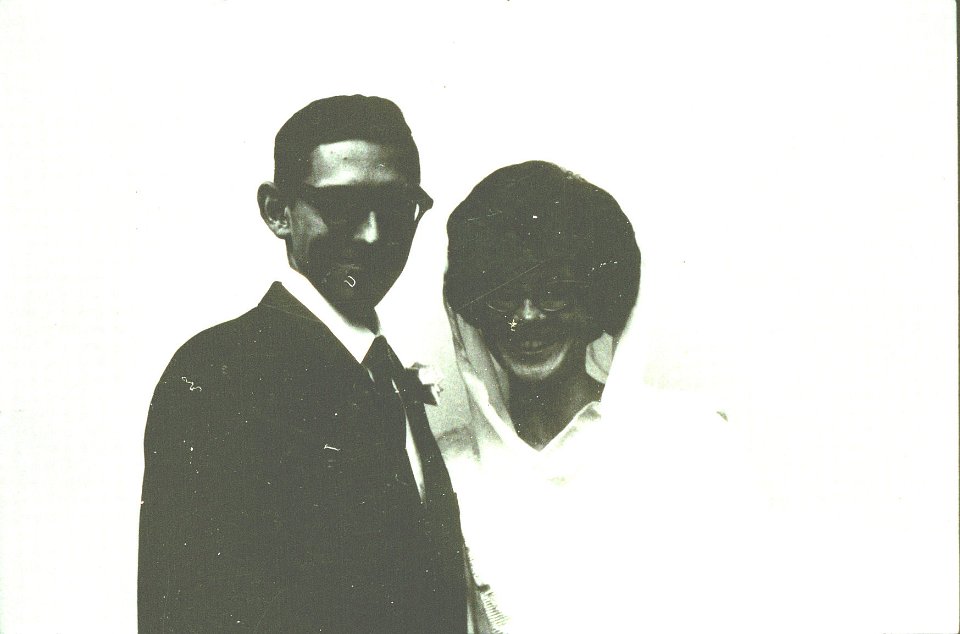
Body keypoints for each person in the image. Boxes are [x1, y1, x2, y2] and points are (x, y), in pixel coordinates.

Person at [138, 96, 466, 633]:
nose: (372, 234)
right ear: (277, 212)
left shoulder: (383, 375)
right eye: (341, 206)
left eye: (395, 207)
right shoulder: (221, 372)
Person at [441, 161, 753, 632]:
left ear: (597, 302)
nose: (528, 317)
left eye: (554, 291)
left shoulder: (691, 441)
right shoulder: (451, 470)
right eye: (504, 295)